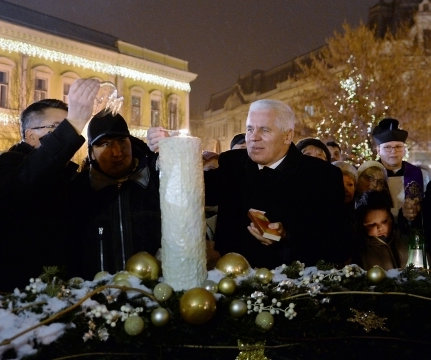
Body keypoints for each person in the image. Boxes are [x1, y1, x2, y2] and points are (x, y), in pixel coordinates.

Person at [150, 99, 350, 269]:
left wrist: (287, 234)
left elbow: (337, 240)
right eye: (249, 129)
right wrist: (169, 151)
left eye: (264, 130)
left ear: (288, 135)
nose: (254, 137)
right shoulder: (232, 164)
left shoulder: (322, 175)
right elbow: (194, 189)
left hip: (296, 285)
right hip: (234, 281)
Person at [0, 79, 99, 291]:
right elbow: (27, 183)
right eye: (57, 128)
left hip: (60, 286)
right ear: (31, 135)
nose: (66, 134)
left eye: (66, 127)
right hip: (17, 289)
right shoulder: (8, 164)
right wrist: (74, 123)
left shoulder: (66, 174)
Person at [77, 111, 161, 276]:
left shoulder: (156, 183)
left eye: (122, 141)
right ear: (91, 152)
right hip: (94, 296)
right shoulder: (78, 192)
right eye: (105, 144)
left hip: (153, 295)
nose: (117, 152)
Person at [372, 118, 428, 225]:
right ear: (378, 150)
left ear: (404, 150)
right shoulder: (369, 175)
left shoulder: (421, 174)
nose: (394, 151)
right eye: (388, 147)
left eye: (398, 147)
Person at [353, 190, 408, 270]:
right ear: (361, 225)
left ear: (391, 217)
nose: (380, 228)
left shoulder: (403, 236)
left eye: (384, 221)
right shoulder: (361, 249)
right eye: (372, 225)